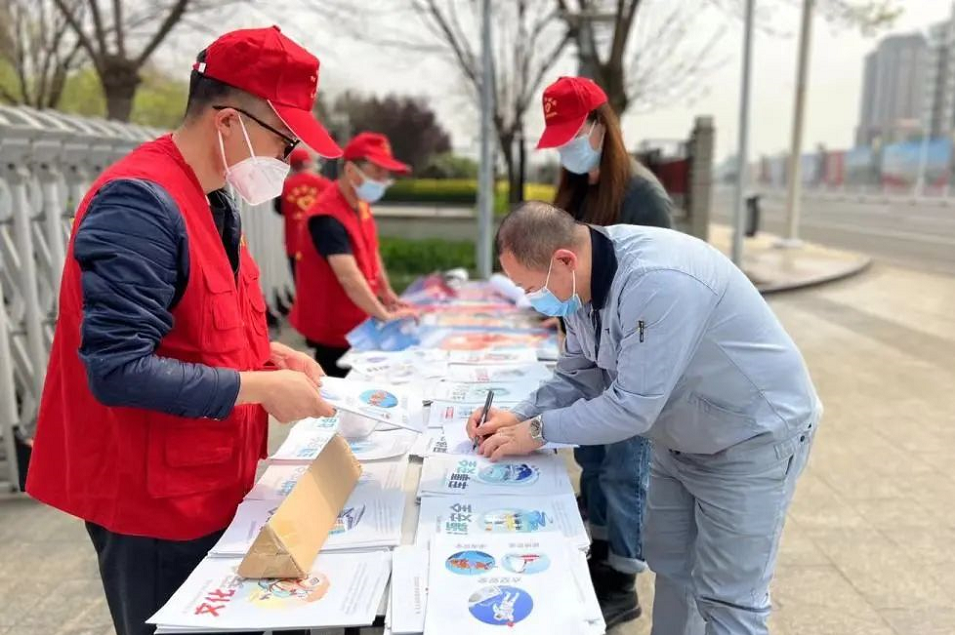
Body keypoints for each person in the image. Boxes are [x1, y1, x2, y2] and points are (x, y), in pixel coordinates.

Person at [26, 26, 338, 635]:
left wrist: (269, 357)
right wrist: (259, 389)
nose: (287, 160)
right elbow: (117, 368)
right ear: (228, 122)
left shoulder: (214, 196)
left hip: (212, 485)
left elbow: (196, 324)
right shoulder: (139, 205)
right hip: (155, 508)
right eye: (285, 141)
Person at [469, 202, 822, 635]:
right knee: (673, 568)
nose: (533, 299)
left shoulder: (658, 281)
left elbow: (631, 406)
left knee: (730, 598)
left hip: (750, 438)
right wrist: (517, 416)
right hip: (679, 436)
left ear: (564, 259)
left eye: (530, 287)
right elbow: (578, 377)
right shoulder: (580, 287)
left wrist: (538, 431)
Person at [535, 75, 673, 626]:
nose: (567, 148)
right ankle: (596, 553)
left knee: (623, 464)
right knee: (591, 455)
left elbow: (656, 286)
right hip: (590, 344)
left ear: (600, 125)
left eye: (574, 133)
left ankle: (622, 577)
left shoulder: (641, 195)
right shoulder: (576, 188)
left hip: (632, 349)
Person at [290, 132, 418, 376]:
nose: (383, 180)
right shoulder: (327, 217)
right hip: (334, 327)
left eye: (386, 174)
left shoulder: (359, 203)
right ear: (350, 171)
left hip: (357, 317)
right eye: (377, 172)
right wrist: (383, 316)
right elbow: (348, 277)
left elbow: (371, 251)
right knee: (338, 392)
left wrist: (386, 293)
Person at [275, 146, 332, 279]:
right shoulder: (325, 185)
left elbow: (279, 210)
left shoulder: (285, 187)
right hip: (321, 244)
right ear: (308, 163)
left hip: (295, 245)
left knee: (301, 286)